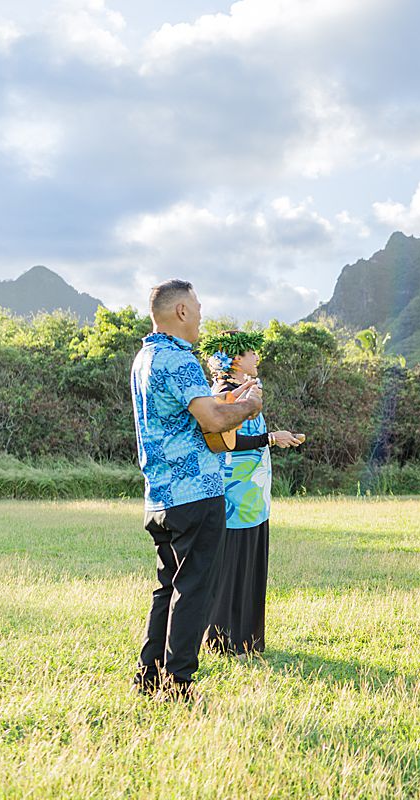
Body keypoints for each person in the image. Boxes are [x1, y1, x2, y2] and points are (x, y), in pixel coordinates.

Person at [130, 280, 263, 702]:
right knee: (193, 589)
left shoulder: (145, 357)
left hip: (159, 495)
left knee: (167, 586)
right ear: (182, 311)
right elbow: (211, 421)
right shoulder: (180, 358)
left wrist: (231, 398)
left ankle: (148, 676)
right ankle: (179, 684)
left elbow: (187, 414)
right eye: (199, 307)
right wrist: (250, 406)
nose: (202, 315)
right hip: (195, 492)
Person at [198, 330, 303, 656]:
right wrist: (271, 438)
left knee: (249, 563)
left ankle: (246, 639)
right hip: (235, 495)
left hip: (252, 494)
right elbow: (226, 443)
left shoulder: (245, 392)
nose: (257, 358)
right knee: (233, 566)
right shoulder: (223, 394)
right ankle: (224, 641)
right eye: (252, 353)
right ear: (236, 359)